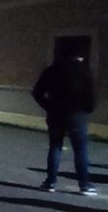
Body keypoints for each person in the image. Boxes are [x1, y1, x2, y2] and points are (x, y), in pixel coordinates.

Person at [32, 50, 97, 195]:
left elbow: (37, 92)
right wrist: (86, 110)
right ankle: (84, 184)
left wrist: (48, 106)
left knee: (55, 147)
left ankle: (50, 182)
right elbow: (90, 96)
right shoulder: (84, 71)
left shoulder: (52, 70)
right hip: (77, 115)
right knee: (80, 150)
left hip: (55, 114)